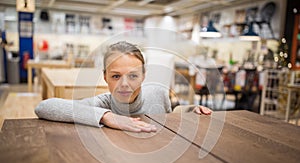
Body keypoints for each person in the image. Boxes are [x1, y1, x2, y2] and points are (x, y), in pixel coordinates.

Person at [35, 41, 212, 133]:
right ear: (105, 77)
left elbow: (171, 112)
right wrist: (106, 117)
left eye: (133, 76)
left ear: (144, 76)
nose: (124, 84)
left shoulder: (158, 92)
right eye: (116, 76)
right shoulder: (102, 104)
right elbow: (44, 107)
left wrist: (191, 109)